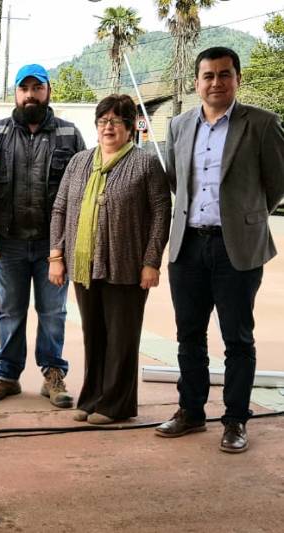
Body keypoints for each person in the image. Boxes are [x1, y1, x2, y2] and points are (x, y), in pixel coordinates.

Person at [156, 47, 284, 452]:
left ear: (237, 79)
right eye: (208, 76)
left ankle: (235, 420)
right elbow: (177, 180)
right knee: (188, 335)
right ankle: (191, 412)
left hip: (237, 250)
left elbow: (276, 182)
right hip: (189, 245)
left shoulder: (262, 124)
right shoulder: (178, 125)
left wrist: (247, 217)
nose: (216, 83)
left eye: (224, 75)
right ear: (197, 82)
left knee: (238, 338)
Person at [48, 94, 171, 424]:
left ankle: (116, 405)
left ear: (130, 127)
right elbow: (60, 208)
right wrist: (56, 256)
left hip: (127, 265)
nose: (108, 127)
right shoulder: (80, 162)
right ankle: (92, 398)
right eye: (103, 121)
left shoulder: (145, 164)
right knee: (95, 334)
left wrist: (151, 261)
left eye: (116, 121)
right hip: (84, 264)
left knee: (122, 336)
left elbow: (161, 213)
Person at [0, 64, 86, 408]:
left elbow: (80, 192)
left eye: (36, 88)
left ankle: (53, 373)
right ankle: (7, 375)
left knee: (53, 312)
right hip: (7, 243)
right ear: (15, 93)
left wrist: (66, 244)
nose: (30, 95)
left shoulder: (69, 135)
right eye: (23, 89)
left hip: (51, 246)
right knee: (10, 310)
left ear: (48, 91)